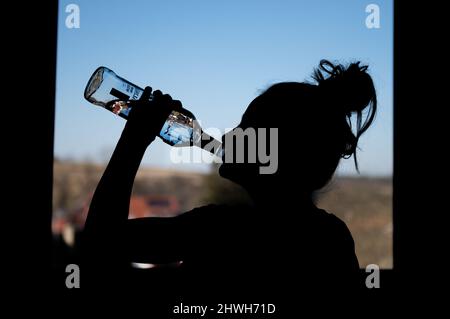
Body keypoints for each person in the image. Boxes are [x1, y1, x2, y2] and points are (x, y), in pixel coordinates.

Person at [81, 60, 377, 295]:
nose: (229, 135)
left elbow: (101, 243)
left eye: (245, 128)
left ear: (277, 152)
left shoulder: (220, 229)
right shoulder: (331, 236)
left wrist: (133, 139)